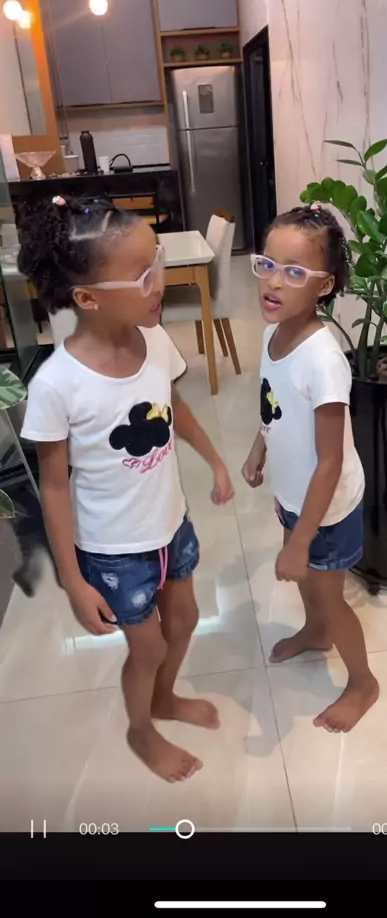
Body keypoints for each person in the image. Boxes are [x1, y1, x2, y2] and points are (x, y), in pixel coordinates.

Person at [19, 195, 234, 782]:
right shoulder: (58, 385)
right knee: (149, 647)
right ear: (87, 299)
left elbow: (172, 407)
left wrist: (215, 460)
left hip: (170, 524)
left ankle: (163, 699)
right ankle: (142, 730)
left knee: (184, 621)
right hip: (115, 552)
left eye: (156, 261)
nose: (159, 282)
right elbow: (54, 486)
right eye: (142, 276)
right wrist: (73, 579)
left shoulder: (154, 339)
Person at [242, 204, 379, 733]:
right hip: (293, 493)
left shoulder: (323, 360)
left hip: (327, 504)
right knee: (306, 582)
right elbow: (273, 406)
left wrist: (301, 541)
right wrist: (259, 447)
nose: (274, 282)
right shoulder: (273, 334)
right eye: (267, 265)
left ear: (324, 286)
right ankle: (315, 633)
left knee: (328, 593)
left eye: (294, 272)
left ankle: (362, 682)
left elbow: (331, 460)